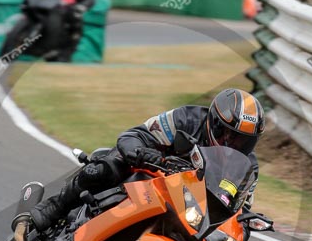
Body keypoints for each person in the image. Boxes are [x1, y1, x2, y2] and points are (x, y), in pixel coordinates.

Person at [30, 88, 265, 232]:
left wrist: (244, 227)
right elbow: (136, 135)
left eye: (242, 141)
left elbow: (241, 208)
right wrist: (145, 154)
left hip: (187, 207)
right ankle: (55, 207)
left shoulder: (247, 168)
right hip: (148, 174)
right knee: (104, 169)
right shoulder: (187, 119)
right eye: (228, 134)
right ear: (213, 122)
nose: (231, 143)